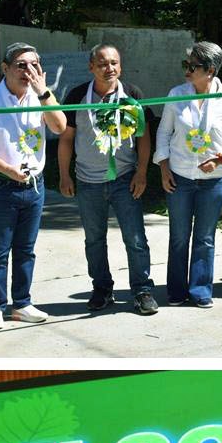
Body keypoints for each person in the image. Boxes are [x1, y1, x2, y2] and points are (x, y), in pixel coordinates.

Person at [0, 41, 67, 331]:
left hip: (34, 186)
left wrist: (44, 93)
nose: (28, 71)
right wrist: (8, 170)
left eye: (34, 64)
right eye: (21, 65)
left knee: (26, 249)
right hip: (0, 185)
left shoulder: (41, 97)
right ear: (5, 68)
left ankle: (21, 303)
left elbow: (59, 127)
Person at [57, 43, 158, 316]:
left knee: (135, 238)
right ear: (91, 67)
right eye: (102, 63)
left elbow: (144, 137)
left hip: (125, 179)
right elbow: (66, 139)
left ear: (120, 65)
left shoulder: (132, 95)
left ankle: (142, 290)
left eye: (114, 62)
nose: (109, 68)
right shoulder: (78, 96)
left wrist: (141, 172)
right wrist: (65, 175)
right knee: (94, 240)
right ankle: (102, 288)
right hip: (88, 181)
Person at [154, 41, 222, 308]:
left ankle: (200, 290)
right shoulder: (176, 94)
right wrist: (163, 167)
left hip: (215, 180)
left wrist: (219, 159)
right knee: (179, 235)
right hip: (180, 176)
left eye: (191, 66)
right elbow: (163, 133)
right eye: (186, 64)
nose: (186, 70)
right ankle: (176, 291)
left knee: (205, 237)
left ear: (210, 70)